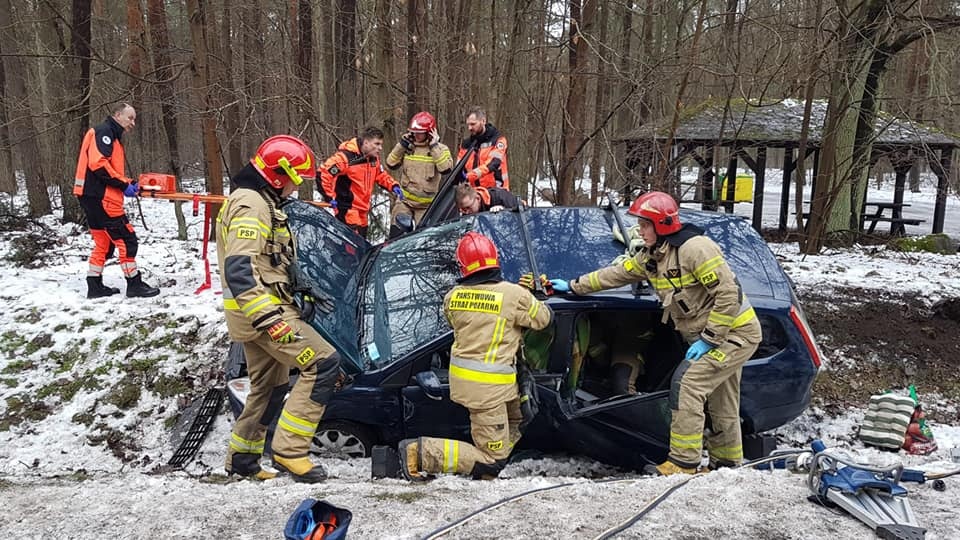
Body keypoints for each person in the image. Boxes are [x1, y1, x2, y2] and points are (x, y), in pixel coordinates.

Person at [550, 191, 761, 475]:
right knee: (722, 398)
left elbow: (727, 294)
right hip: (717, 335)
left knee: (688, 385)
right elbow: (615, 274)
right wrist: (574, 286)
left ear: (662, 224)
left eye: (644, 224)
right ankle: (726, 465)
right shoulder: (653, 256)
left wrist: (709, 339)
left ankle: (684, 463)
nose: (639, 230)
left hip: (735, 333)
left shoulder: (695, 249)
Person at [218, 135, 341, 483]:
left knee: (269, 388)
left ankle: (243, 458)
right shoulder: (251, 205)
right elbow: (240, 270)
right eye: (292, 181)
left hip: (256, 313)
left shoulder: (258, 201)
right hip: (263, 314)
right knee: (323, 362)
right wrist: (271, 319)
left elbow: (265, 261)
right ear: (277, 175)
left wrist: (298, 284)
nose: (293, 189)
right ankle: (290, 452)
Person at [400, 232, 552, 481]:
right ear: (495, 259)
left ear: (463, 266)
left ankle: (490, 453)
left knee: (521, 416)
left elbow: (476, 315)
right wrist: (532, 294)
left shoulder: (453, 296)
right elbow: (544, 319)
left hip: (471, 383)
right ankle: (419, 453)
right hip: (489, 392)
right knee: (493, 460)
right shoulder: (515, 296)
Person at [73, 102, 159, 298]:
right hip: (102, 197)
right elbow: (99, 166)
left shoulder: (109, 135)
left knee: (103, 243)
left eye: (134, 119)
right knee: (127, 240)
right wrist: (123, 185)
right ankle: (134, 284)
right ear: (117, 115)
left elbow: (107, 169)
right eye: (130, 118)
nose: (133, 123)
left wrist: (128, 182)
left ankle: (94, 286)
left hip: (90, 196)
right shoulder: (105, 132)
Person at [319, 126, 402, 238]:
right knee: (352, 246)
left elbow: (380, 174)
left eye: (381, 144)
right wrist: (329, 197)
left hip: (363, 210)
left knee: (361, 244)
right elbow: (323, 173)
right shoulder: (347, 158)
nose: (380, 148)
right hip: (348, 209)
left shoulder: (373, 159)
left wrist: (393, 186)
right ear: (366, 142)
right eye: (377, 144)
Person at [385, 111, 454, 237]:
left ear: (430, 132)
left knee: (422, 239)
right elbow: (390, 163)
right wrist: (401, 146)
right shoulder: (408, 147)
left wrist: (434, 147)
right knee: (396, 237)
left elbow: (446, 169)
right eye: (414, 132)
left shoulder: (441, 149)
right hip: (404, 202)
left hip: (426, 207)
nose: (416, 135)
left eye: (420, 132)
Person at [457, 106, 509, 189]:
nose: (469, 128)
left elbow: (493, 163)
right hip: (473, 194)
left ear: (483, 121)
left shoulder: (498, 140)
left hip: (496, 193)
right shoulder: (466, 145)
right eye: (468, 124)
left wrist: (469, 176)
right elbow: (458, 167)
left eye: (473, 124)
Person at [455, 183, 519, 215]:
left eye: (468, 207)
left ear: (478, 198)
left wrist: (504, 212)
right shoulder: (466, 214)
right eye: (463, 210)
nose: (467, 212)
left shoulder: (500, 196)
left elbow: (523, 212)